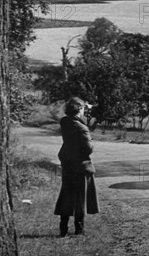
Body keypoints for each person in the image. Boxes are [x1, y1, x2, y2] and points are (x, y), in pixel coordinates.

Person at [54, 97, 99, 237]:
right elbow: (88, 148)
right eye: (83, 108)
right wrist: (89, 134)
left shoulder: (65, 122)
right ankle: (79, 229)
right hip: (81, 166)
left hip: (68, 164)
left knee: (66, 196)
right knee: (80, 200)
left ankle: (63, 228)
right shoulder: (81, 127)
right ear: (79, 109)